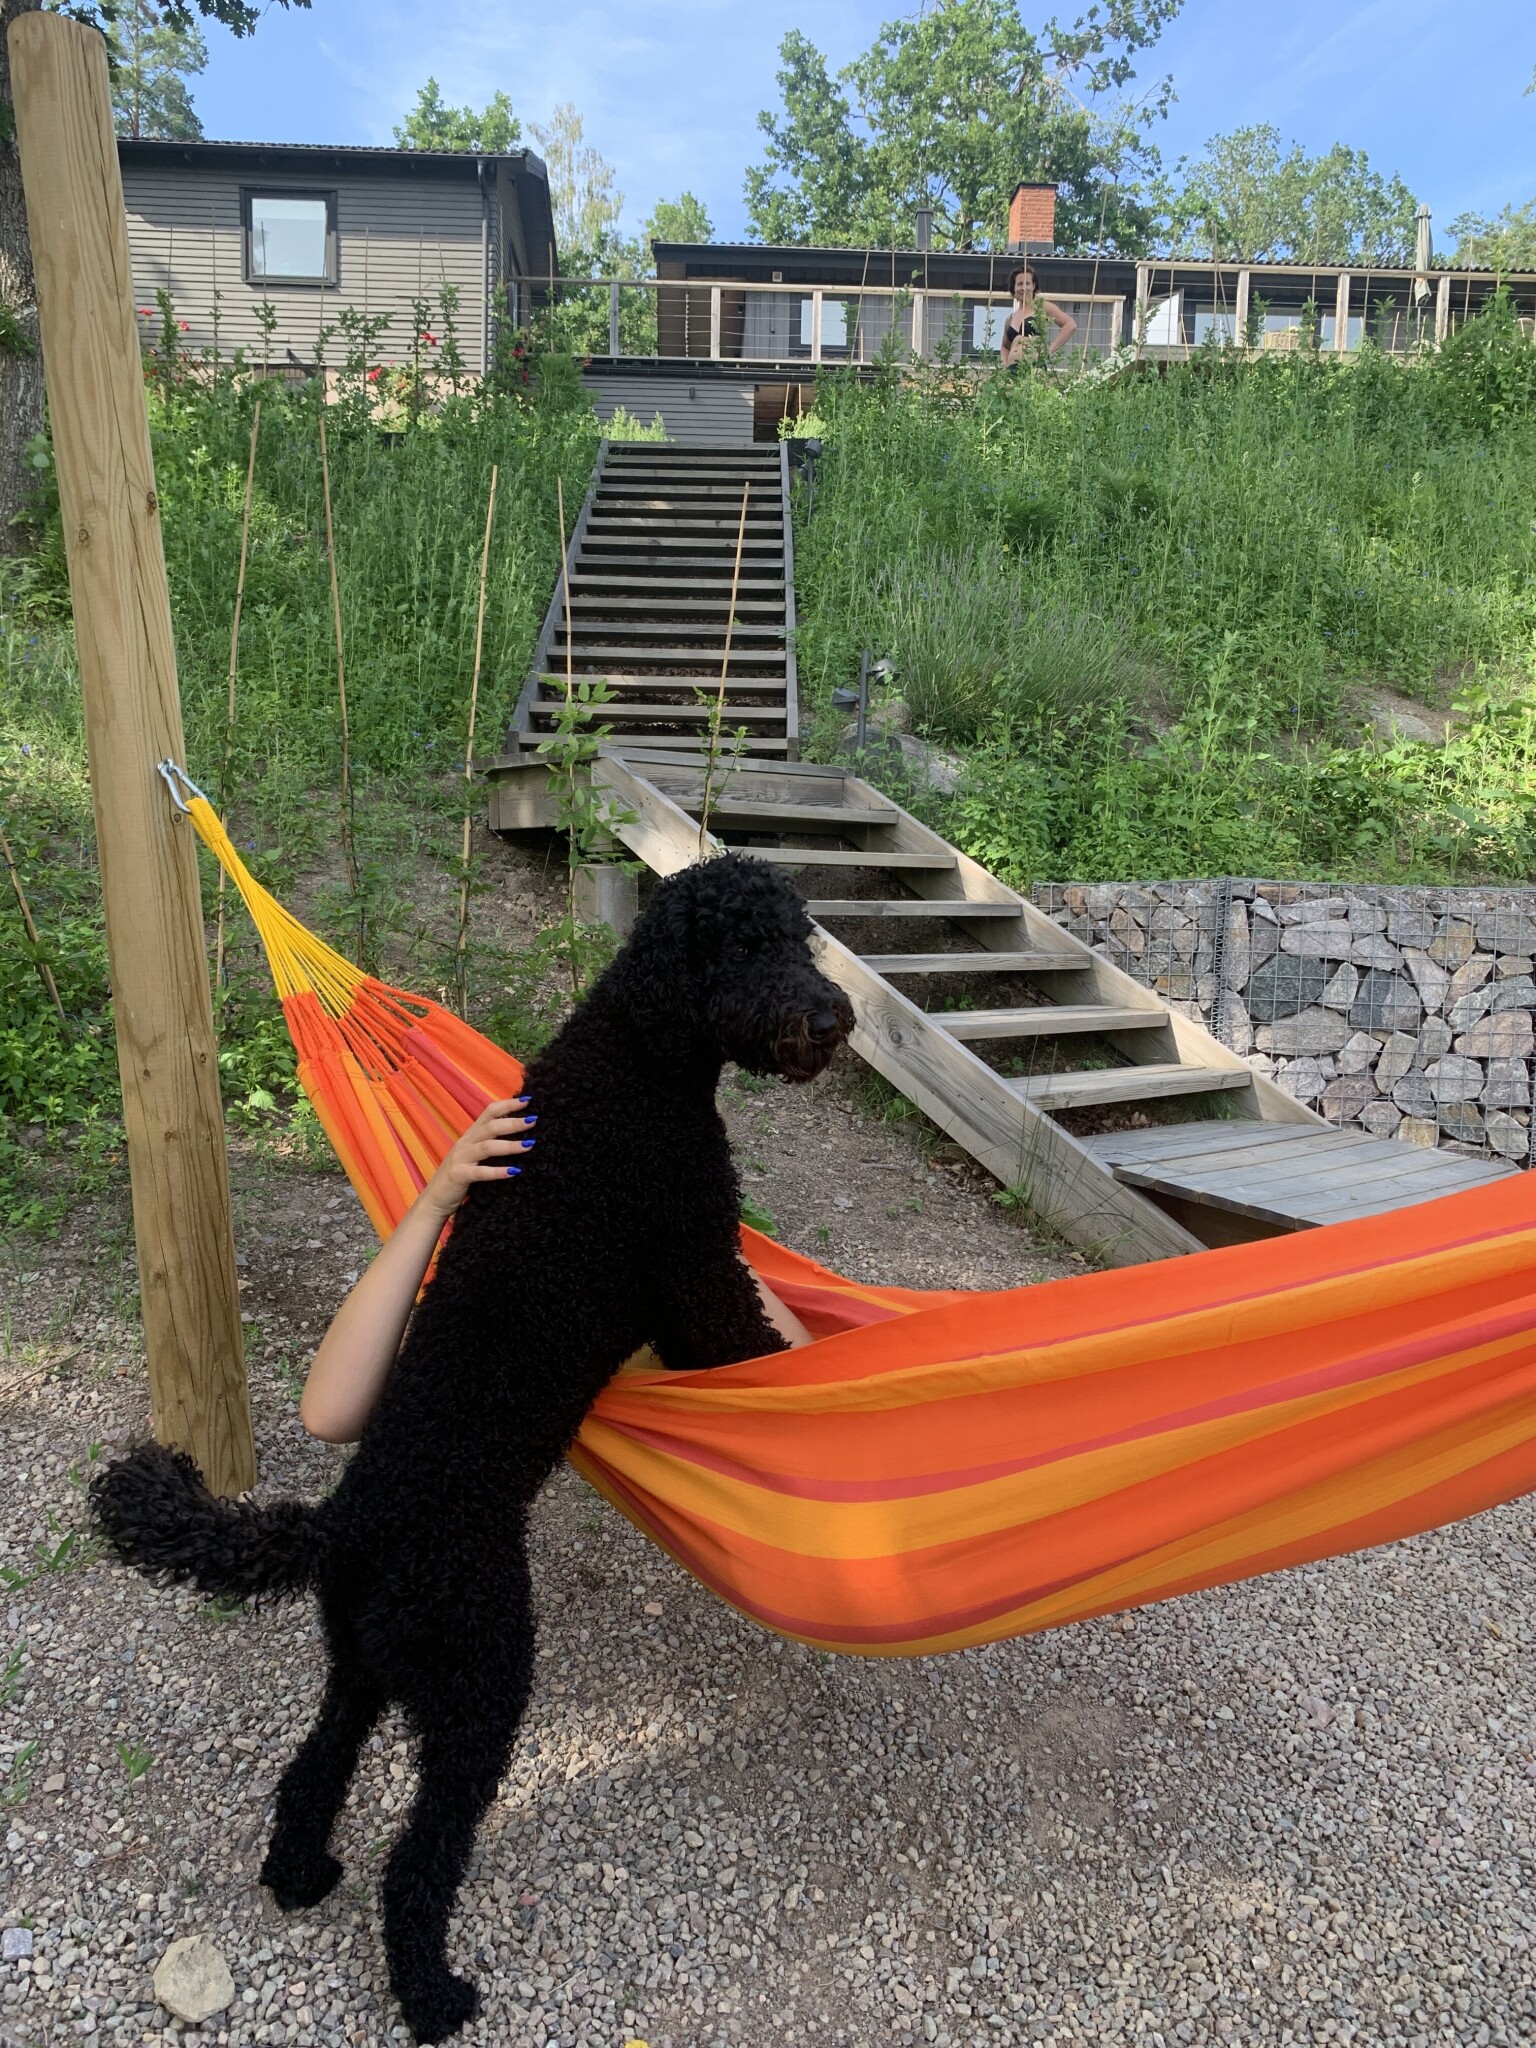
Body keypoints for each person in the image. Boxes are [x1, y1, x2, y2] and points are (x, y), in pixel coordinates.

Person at [300, 1095, 814, 1444]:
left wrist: (699, 1226)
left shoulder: (687, 1274)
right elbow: (331, 1414)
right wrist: (434, 1203)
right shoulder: (527, 1274)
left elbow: (805, 1398)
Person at [999, 264, 1076, 368]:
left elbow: (1070, 325)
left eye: (1027, 283)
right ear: (1014, 287)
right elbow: (1005, 347)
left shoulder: (1042, 307)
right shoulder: (1010, 318)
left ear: (1033, 285)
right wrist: (1004, 365)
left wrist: (1049, 351)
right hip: (1012, 369)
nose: (1023, 288)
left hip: (1033, 367)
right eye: (1020, 284)